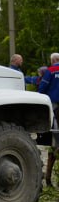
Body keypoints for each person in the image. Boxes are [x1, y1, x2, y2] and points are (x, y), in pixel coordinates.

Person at [35, 52, 59, 186]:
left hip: (54, 106)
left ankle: (48, 178)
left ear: (52, 61)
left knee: (54, 141)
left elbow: (42, 88)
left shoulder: (50, 71)